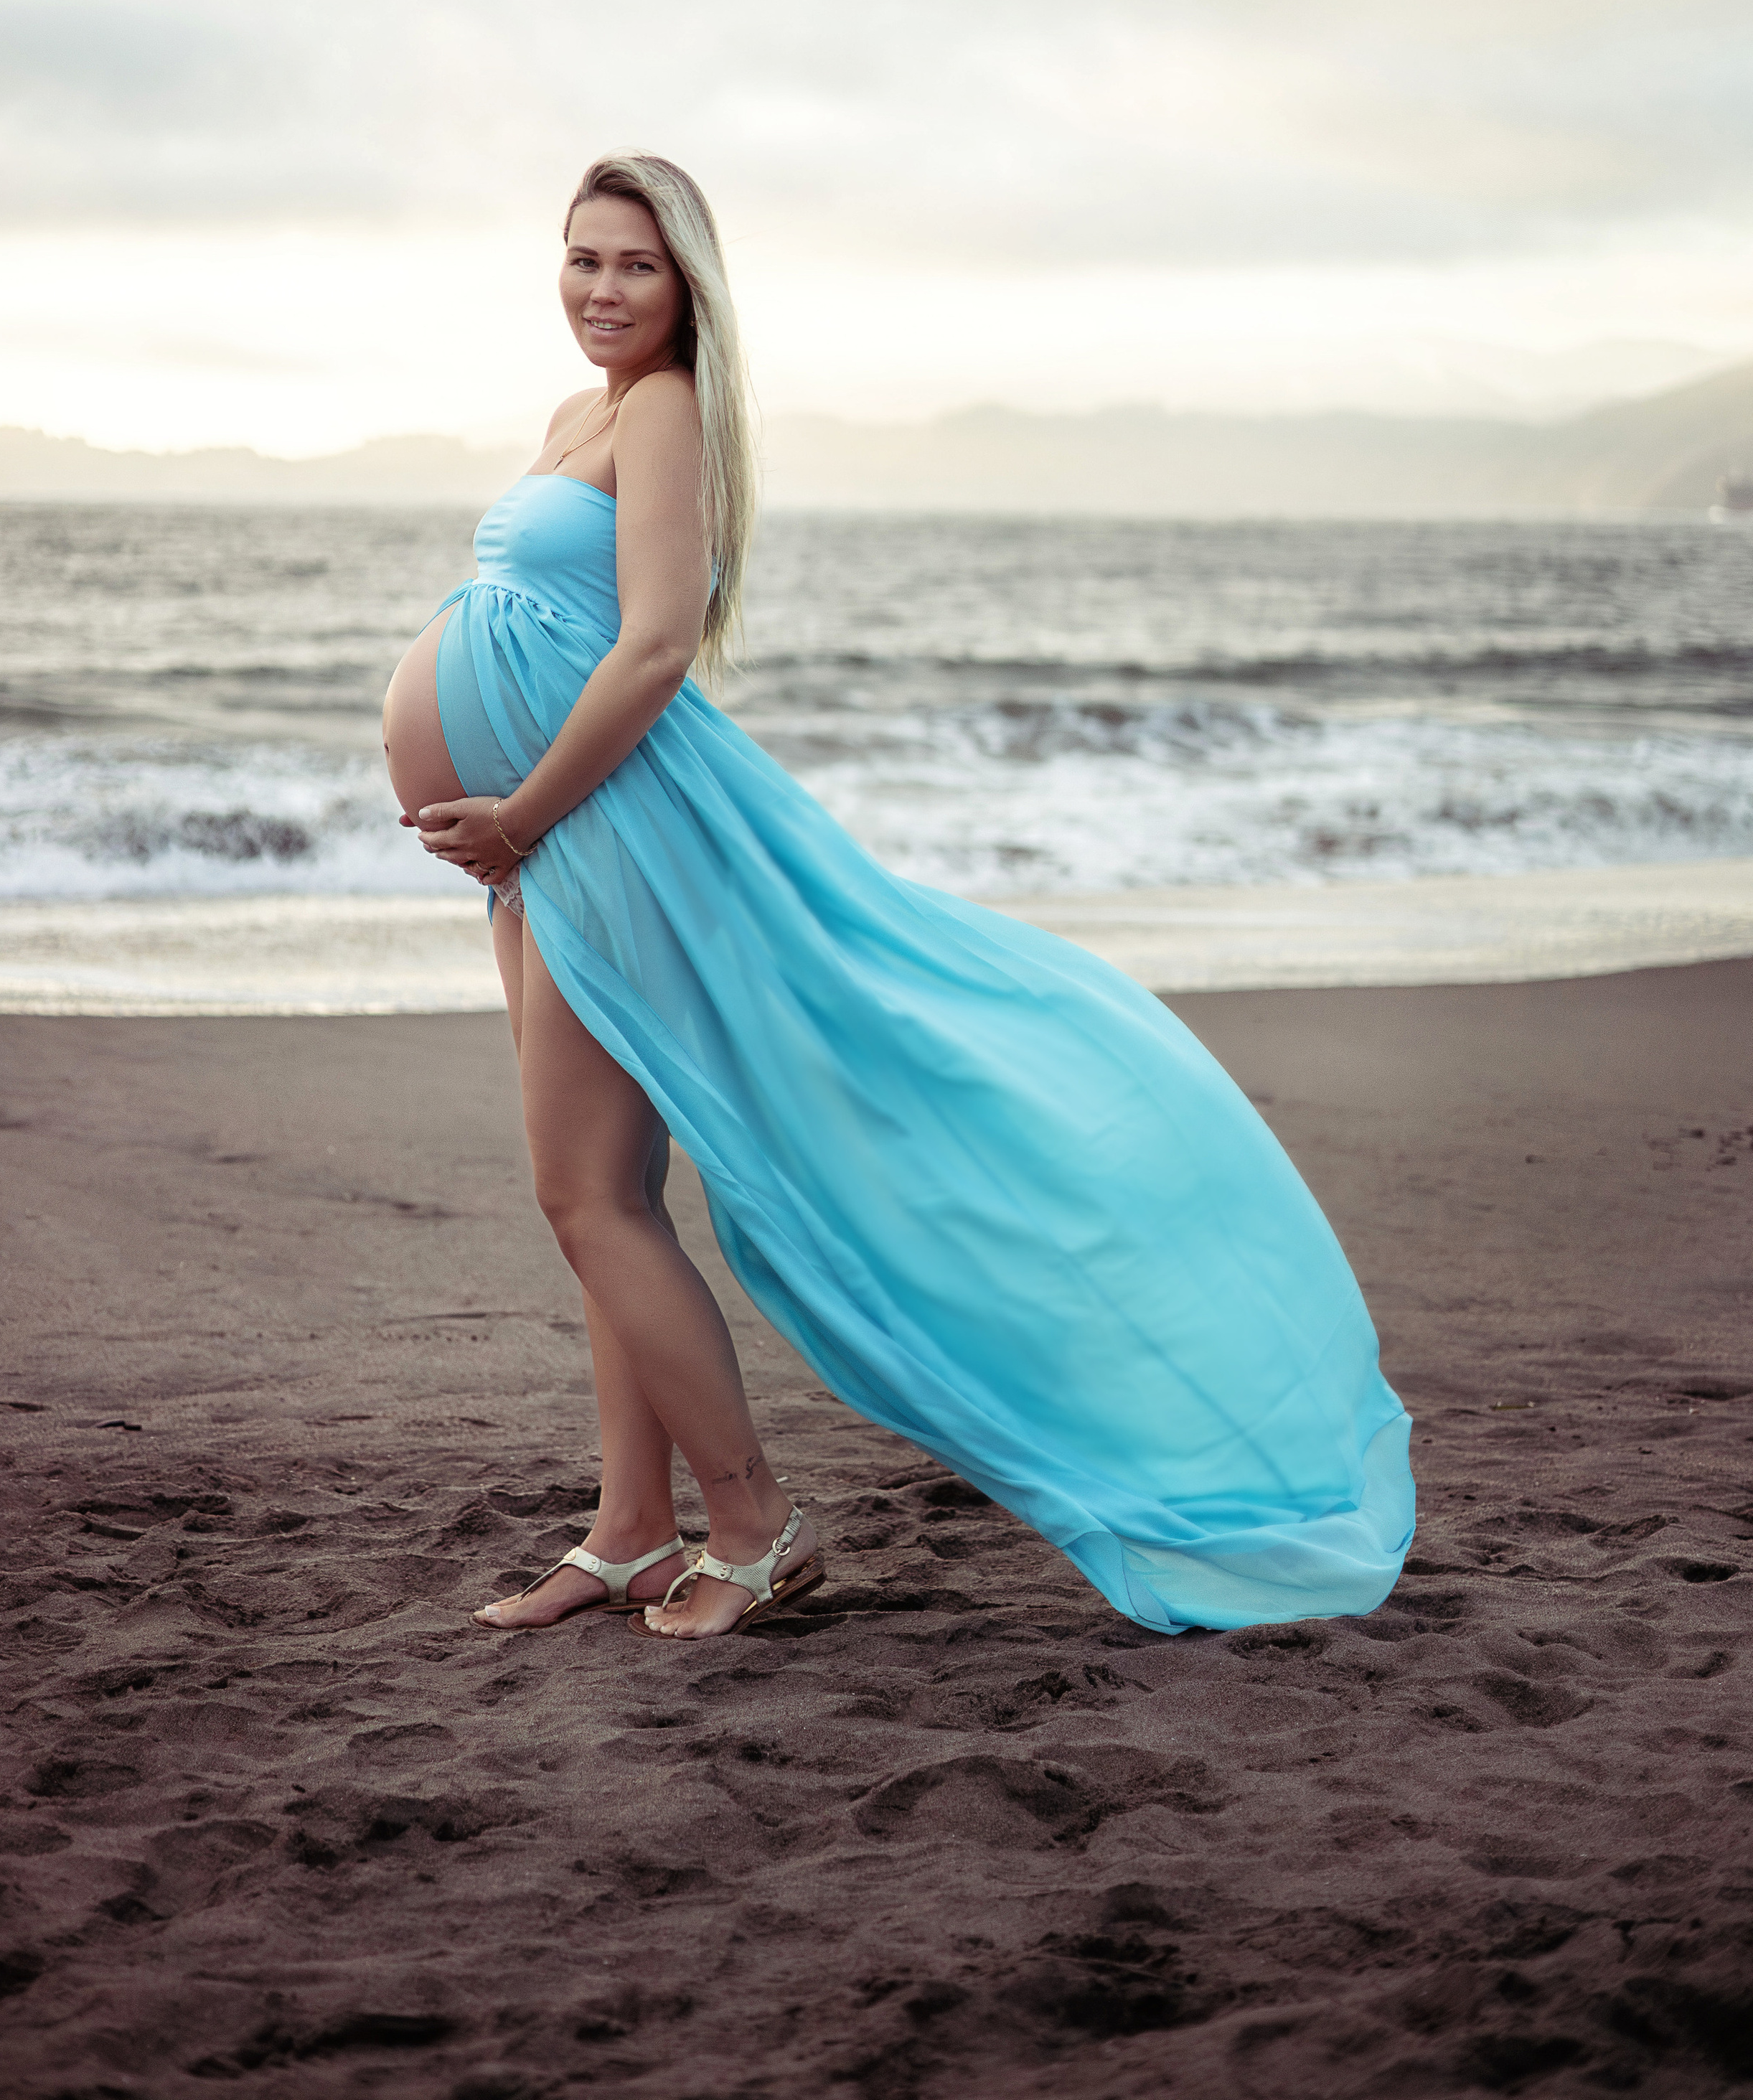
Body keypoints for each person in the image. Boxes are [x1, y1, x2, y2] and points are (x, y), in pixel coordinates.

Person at [380, 154, 1414, 1643]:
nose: (599, 290)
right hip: (543, 850)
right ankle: (627, 1525)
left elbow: (657, 646)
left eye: (633, 267)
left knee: (585, 1195)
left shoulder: (664, 412)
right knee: (603, 1199)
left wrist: (528, 810)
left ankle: (749, 1525)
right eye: (580, 259)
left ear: (688, 291)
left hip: (601, 833)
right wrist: (511, 825)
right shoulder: (574, 416)